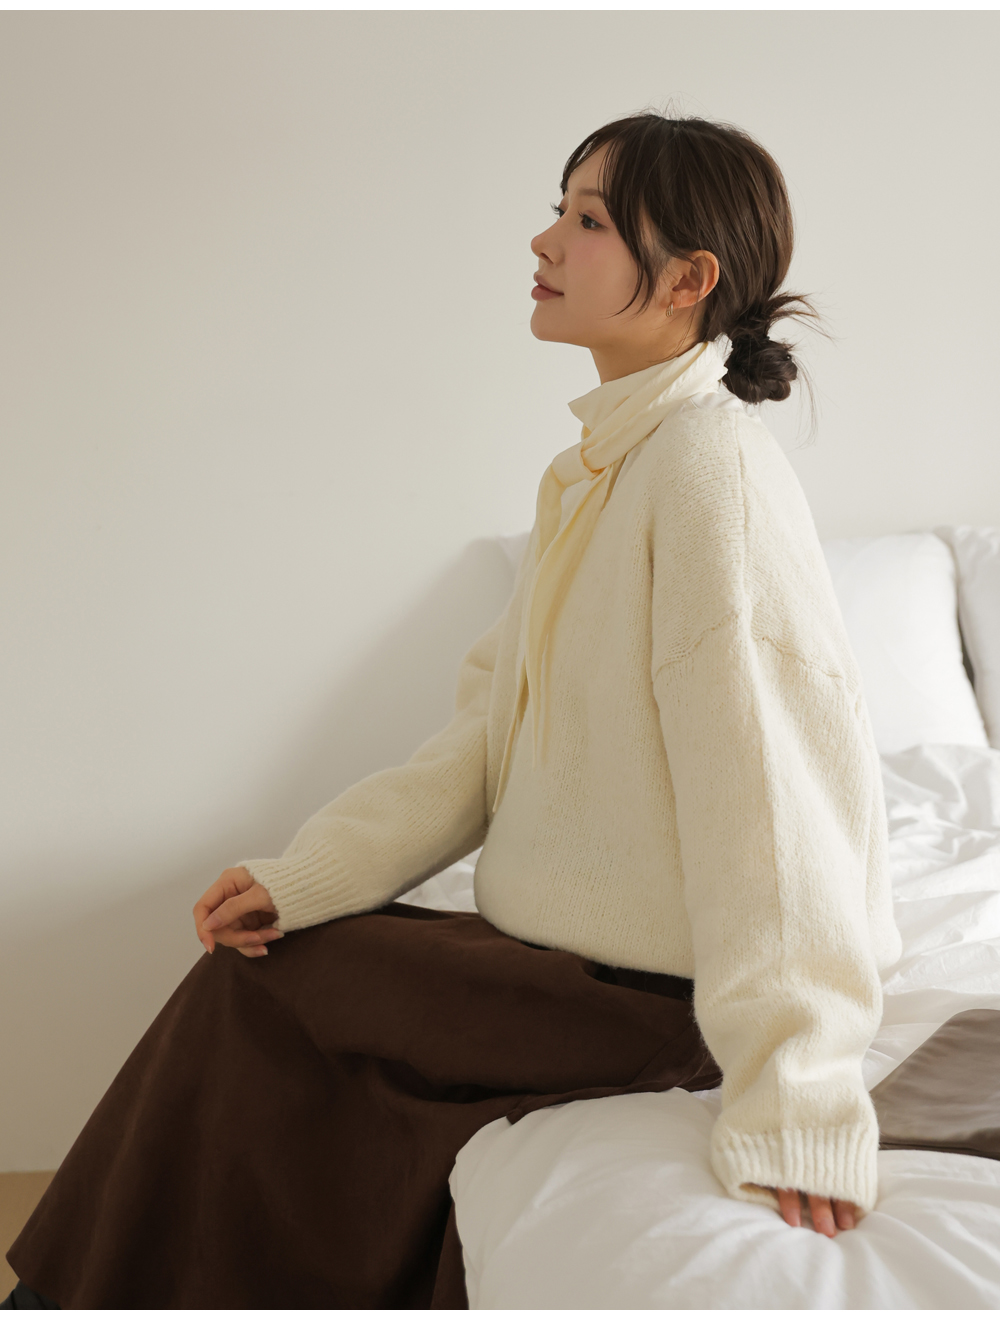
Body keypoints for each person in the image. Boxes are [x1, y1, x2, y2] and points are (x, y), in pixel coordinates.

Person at [5, 110, 902, 1309]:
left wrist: (798, 1099)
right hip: (559, 963)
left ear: (689, 280)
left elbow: (776, 809)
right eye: (559, 209)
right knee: (271, 969)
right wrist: (309, 876)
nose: (546, 240)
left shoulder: (707, 472)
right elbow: (483, 742)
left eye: (590, 221)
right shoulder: (597, 471)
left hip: (650, 1003)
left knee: (254, 999)